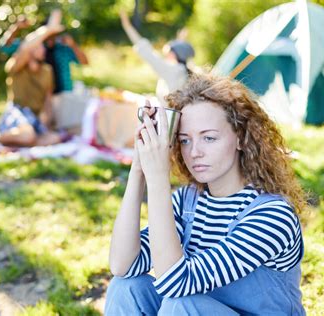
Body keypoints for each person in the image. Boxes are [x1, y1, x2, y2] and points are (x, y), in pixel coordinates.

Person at [105, 72, 307, 315]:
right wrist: (138, 169)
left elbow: (175, 283)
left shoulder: (272, 215)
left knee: (181, 305)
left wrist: (159, 178)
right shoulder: (187, 201)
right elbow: (122, 265)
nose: (195, 152)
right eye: (185, 140)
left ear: (241, 139)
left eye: (209, 138)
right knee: (126, 287)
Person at [0, 10, 89, 135]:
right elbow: (6, 47)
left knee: (59, 133)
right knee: (31, 134)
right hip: (24, 109)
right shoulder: (27, 53)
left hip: (59, 97)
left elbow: (84, 61)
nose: (43, 48)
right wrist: (18, 28)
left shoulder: (58, 53)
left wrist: (73, 45)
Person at [0, 19, 66, 147]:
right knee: (28, 135)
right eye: (39, 46)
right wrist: (48, 29)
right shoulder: (16, 66)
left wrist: (46, 121)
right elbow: (25, 46)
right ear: (30, 51)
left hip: (34, 117)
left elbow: (48, 100)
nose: (43, 49)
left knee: (55, 138)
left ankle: (27, 140)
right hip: (17, 112)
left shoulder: (47, 70)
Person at [120, 11, 195, 105]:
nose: (166, 53)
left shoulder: (172, 70)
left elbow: (147, 52)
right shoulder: (182, 70)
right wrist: (181, 39)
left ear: (174, 54)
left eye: (169, 51)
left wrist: (127, 26)